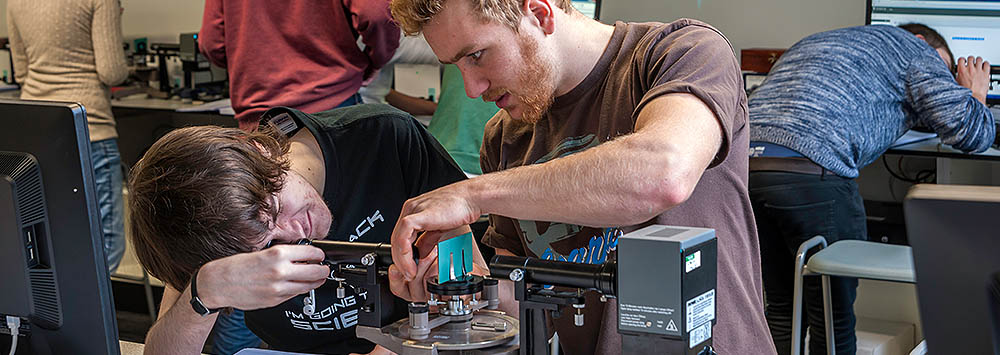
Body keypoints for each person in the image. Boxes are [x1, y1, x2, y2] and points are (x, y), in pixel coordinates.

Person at [385, 0, 777, 353]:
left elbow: (663, 174)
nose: (472, 88)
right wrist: (459, 282)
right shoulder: (504, 138)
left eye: (476, 55)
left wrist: (472, 195)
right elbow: (520, 306)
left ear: (538, 13)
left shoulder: (681, 52)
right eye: (456, 65)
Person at [128, 104, 470, 354]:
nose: (293, 234)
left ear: (260, 151)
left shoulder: (385, 140)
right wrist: (202, 294)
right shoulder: (210, 232)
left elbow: (467, 272)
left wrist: (398, 347)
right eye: (266, 246)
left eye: (275, 209)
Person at [747, 24, 996, 355]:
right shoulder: (917, 50)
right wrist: (974, 95)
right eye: (945, 70)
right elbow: (970, 134)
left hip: (749, 167)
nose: (944, 80)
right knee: (831, 317)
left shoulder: (820, 39)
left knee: (781, 308)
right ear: (922, 41)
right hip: (811, 169)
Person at [7, 0, 129, 273]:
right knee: (105, 242)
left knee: (53, 237)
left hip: (38, 130)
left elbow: (22, 72)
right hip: (89, 128)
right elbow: (112, 71)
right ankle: (88, 314)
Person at [198, 0, 400, 132]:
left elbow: (211, 43)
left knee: (268, 195)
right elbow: (377, 15)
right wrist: (375, 61)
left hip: (258, 117)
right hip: (331, 106)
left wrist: (248, 65)